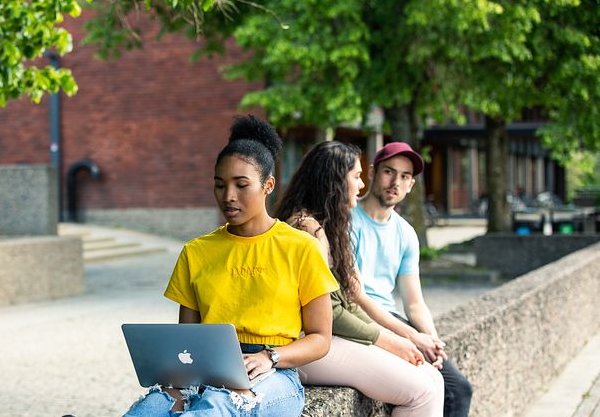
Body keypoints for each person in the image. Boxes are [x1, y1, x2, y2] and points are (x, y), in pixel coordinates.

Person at [124, 115, 340, 416]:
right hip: (205, 372)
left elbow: (320, 339)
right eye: (219, 185)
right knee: (152, 407)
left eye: (241, 185)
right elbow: (187, 340)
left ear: (268, 185)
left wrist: (270, 357)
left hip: (274, 374)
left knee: (217, 407)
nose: (228, 197)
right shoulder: (196, 252)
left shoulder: (301, 247)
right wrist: (176, 382)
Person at [275, 141, 444, 417]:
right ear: (335, 181)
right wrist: (388, 341)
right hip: (302, 346)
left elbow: (349, 300)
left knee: (433, 378)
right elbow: (329, 311)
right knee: (421, 390)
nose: (361, 186)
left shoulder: (329, 226)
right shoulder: (306, 229)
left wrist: (398, 338)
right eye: (356, 177)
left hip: (325, 340)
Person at [351, 141, 473, 417]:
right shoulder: (348, 221)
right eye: (389, 172)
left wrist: (433, 340)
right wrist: (413, 336)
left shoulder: (406, 234)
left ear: (411, 185)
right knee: (422, 386)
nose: (395, 182)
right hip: (362, 319)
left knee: (458, 388)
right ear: (372, 172)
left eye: (405, 176)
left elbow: (414, 303)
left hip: (393, 319)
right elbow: (353, 299)